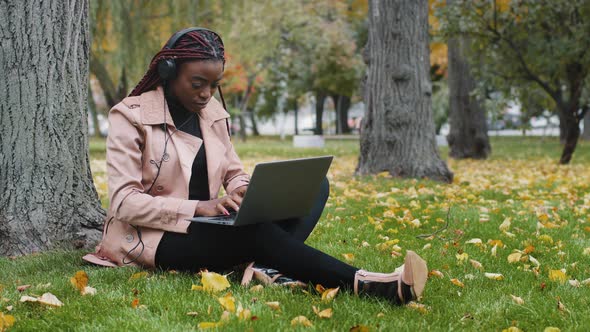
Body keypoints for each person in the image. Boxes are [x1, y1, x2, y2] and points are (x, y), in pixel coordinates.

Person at [83, 27, 428, 305]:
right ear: (168, 72)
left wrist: (243, 191)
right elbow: (124, 202)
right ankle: (367, 284)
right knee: (256, 233)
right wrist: (200, 208)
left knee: (312, 189)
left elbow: (233, 172)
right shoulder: (130, 116)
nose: (206, 94)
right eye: (197, 83)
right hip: (154, 237)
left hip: (211, 225)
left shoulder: (213, 114)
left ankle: (260, 267)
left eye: (214, 85)